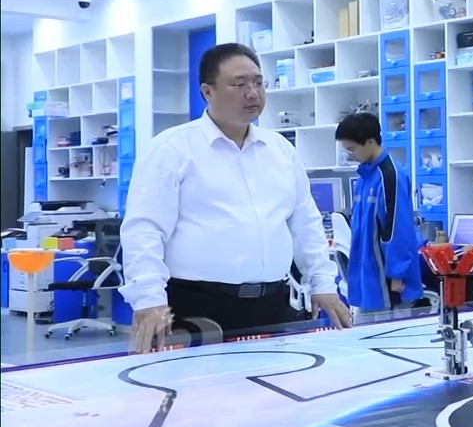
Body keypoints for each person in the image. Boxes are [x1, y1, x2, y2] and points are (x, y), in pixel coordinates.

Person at [120, 43, 352, 353]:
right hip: (197, 308)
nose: (253, 93)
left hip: (272, 305)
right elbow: (144, 229)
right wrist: (148, 299)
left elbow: (305, 224)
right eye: (239, 84)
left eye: (258, 83)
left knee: (275, 383)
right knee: (199, 385)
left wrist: (323, 283)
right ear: (208, 91)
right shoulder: (172, 149)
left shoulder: (280, 150)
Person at [335, 111, 424, 312]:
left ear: (370, 142)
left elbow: (397, 230)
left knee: (388, 330)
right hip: (367, 277)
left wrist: (398, 274)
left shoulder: (390, 177)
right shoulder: (364, 179)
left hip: (387, 279)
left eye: (352, 149)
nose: (350, 155)